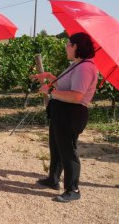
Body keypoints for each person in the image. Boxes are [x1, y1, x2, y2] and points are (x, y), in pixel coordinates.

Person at [31, 32, 98, 203]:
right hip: (61, 112)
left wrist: (51, 91)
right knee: (56, 146)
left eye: (68, 44)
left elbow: (76, 96)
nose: (66, 47)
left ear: (75, 46)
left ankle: (73, 189)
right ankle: (53, 179)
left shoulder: (85, 67)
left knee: (68, 151)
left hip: (72, 114)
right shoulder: (76, 64)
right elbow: (64, 84)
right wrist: (49, 77)